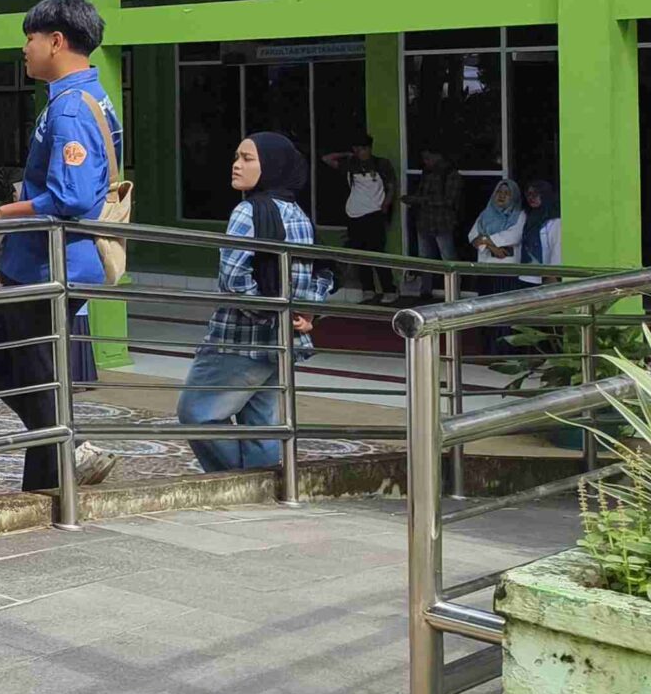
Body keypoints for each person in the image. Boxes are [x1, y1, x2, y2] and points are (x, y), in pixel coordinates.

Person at [0, 0, 121, 495]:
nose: (26, 50)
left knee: (17, 367)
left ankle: (68, 452)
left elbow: (70, 196)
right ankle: (57, 469)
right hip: (42, 263)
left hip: (49, 265)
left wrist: (0, 214)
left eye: (30, 39)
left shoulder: (72, 109)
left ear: (56, 41)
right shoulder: (84, 97)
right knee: (4, 361)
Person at [177, 133, 334, 473]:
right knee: (261, 426)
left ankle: (240, 482)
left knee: (196, 414)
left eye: (248, 158)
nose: (236, 165)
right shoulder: (299, 216)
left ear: (272, 165)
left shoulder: (248, 211)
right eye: (236, 156)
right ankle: (265, 489)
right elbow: (323, 270)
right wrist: (303, 312)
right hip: (280, 341)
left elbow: (233, 280)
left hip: (238, 340)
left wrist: (266, 312)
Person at [321, 134, 398, 302]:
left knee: (377, 253)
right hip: (355, 214)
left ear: (370, 148)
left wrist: (386, 204)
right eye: (357, 149)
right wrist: (346, 154)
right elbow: (326, 159)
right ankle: (368, 289)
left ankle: (389, 289)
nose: (361, 152)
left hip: (375, 213)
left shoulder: (381, 164)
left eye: (363, 149)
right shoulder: (350, 164)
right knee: (360, 254)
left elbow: (391, 185)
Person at [469, 178, 527, 294]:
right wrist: (492, 248)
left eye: (507, 193)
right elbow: (473, 237)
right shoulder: (485, 214)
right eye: (499, 192)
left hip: (507, 269)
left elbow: (514, 236)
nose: (502, 196)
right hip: (485, 267)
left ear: (514, 196)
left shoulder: (520, 214)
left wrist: (484, 239)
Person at [412, 149, 463, 264]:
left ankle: (453, 282)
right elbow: (421, 193)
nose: (426, 162)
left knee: (448, 260)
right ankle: (427, 282)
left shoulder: (451, 174)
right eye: (424, 159)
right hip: (424, 223)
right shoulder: (426, 173)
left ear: (438, 156)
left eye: (428, 158)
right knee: (424, 261)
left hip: (442, 224)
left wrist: (422, 200)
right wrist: (414, 199)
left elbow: (450, 200)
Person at [519, 180, 564, 270]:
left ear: (545, 195)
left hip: (545, 274)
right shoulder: (527, 215)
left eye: (535, 194)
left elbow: (557, 249)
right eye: (528, 194)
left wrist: (553, 275)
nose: (531, 198)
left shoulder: (554, 220)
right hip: (526, 272)